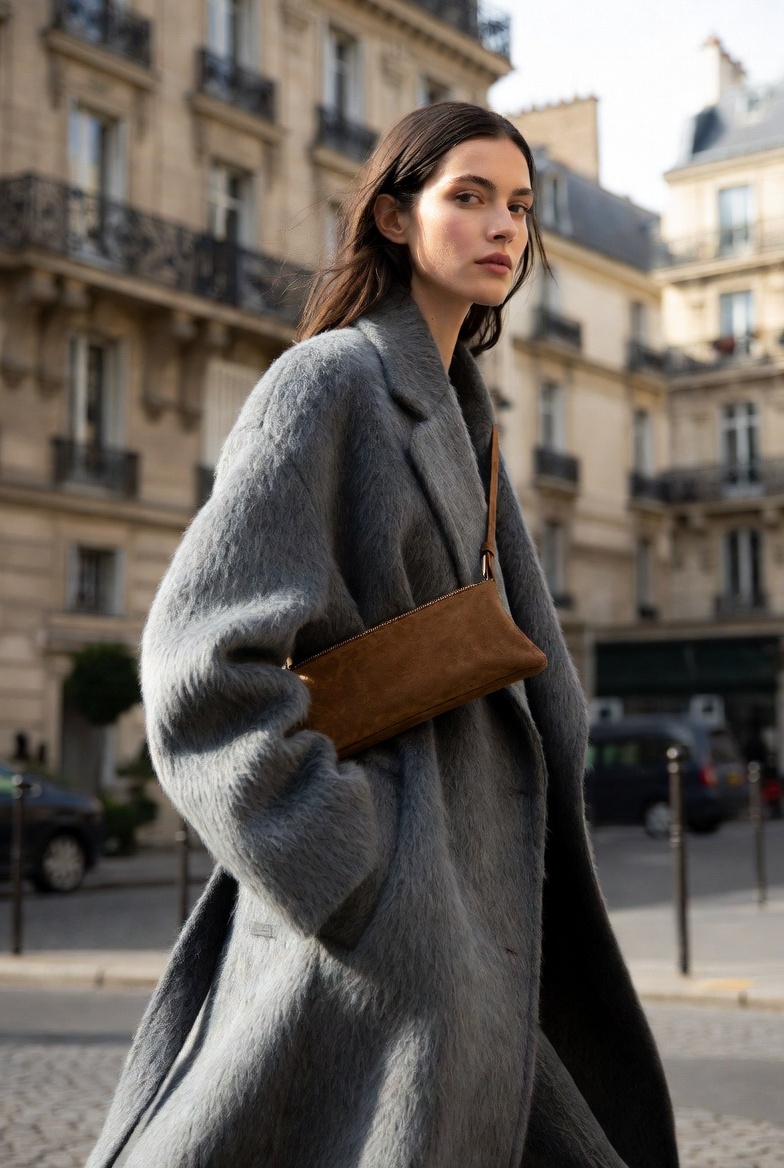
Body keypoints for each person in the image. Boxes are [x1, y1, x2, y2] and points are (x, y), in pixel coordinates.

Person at [87, 102, 679, 1168]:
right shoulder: (330, 381)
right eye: (469, 197)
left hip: (479, 944)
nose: (504, 227)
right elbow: (199, 668)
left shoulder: (461, 414)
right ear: (397, 218)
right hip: (386, 959)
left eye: (520, 206)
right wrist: (365, 881)